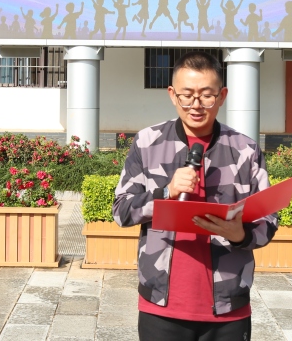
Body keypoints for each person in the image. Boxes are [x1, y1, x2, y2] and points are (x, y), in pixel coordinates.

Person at [113, 51, 277, 341]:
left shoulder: (245, 150)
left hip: (228, 308)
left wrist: (240, 234)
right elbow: (121, 211)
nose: (196, 105)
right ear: (172, 94)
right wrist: (165, 192)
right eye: (187, 95)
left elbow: (268, 220)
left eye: (207, 96)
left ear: (222, 96)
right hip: (160, 306)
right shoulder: (147, 143)